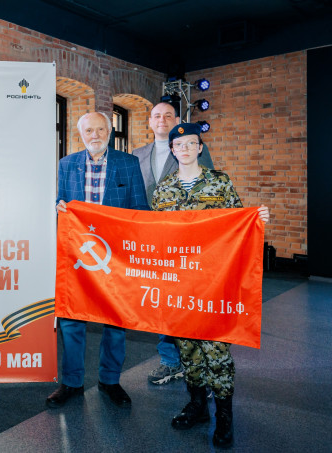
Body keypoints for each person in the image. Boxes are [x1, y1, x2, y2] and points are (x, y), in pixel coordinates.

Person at [151, 122, 269, 449]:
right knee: (188, 348)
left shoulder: (220, 182)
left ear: (200, 148)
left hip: (215, 281)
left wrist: (257, 219)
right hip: (180, 282)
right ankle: (198, 405)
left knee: (216, 350)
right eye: (180, 145)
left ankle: (224, 415)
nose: (186, 149)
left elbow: (239, 224)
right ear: (172, 150)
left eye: (192, 143)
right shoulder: (163, 190)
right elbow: (154, 236)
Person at [49, 111, 149, 409]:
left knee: (115, 322)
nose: (95, 135)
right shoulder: (67, 164)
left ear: (110, 131)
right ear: (81, 134)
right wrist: (58, 206)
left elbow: (140, 209)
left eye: (101, 129)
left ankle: (110, 381)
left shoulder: (128, 164)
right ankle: (71, 383)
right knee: (71, 320)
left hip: (116, 258)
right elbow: (59, 201)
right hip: (77, 257)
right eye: (89, 130)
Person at [133, 102, 215, 385]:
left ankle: (198, 362)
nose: (162, 119)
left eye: (168, 115)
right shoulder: (136, 155)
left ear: (177, 120)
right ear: (149, 121)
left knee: (190, 301)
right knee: (162, 302)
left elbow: (209, 192)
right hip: (152, 243)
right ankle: (170, 361)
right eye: (157, 115)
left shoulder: (190, 148)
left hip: (187, 242)